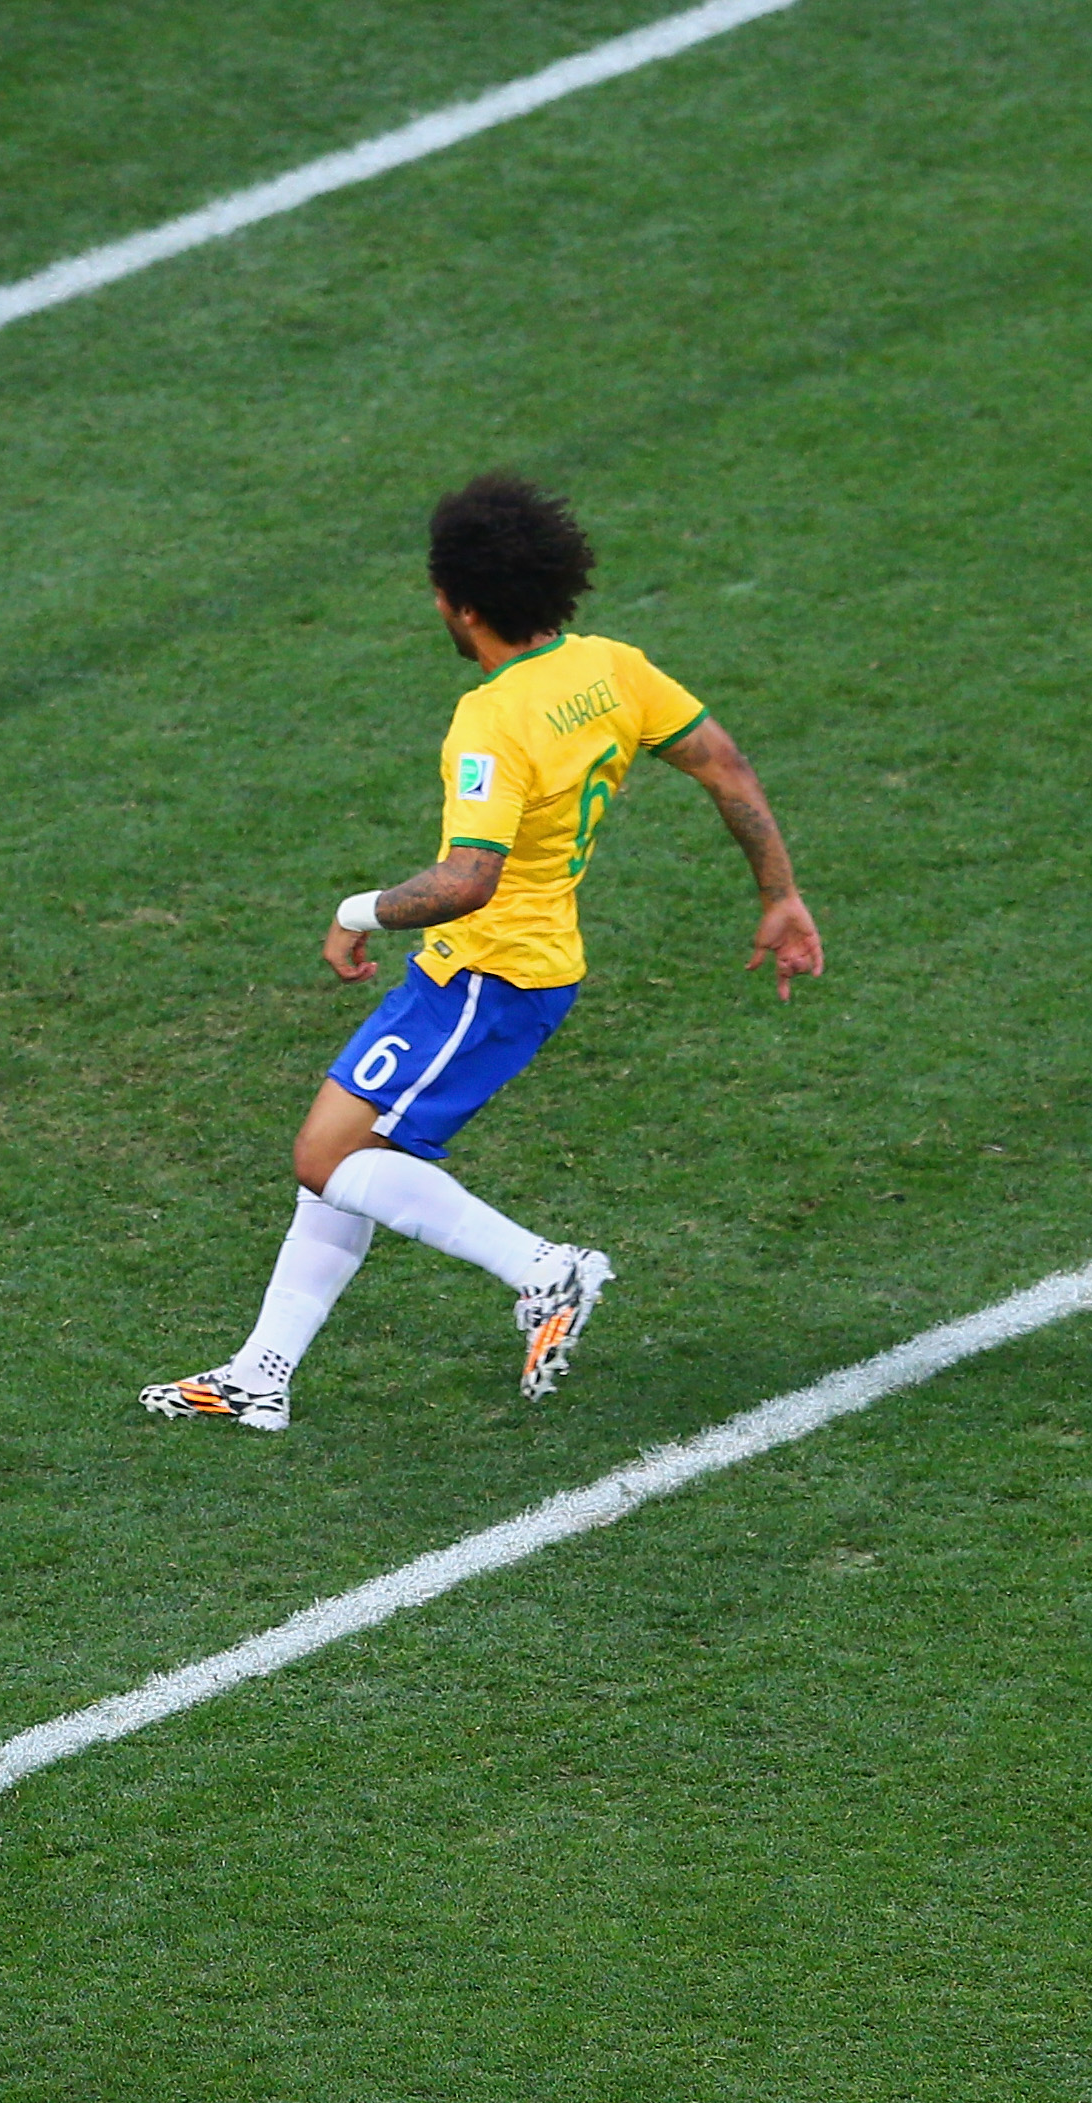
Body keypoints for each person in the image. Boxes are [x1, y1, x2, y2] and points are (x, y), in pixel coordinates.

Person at [142, 472, 822, 1425]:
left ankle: (547, 1268)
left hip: (491, 974)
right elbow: (723, 763)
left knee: (323, 1156)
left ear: (462, 605)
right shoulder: (613, 669)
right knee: (349, 1149)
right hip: (495, 968)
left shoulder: (494, 719)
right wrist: (780, 892)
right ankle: (262, 1374)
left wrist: (357, 909)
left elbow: (469, 879)